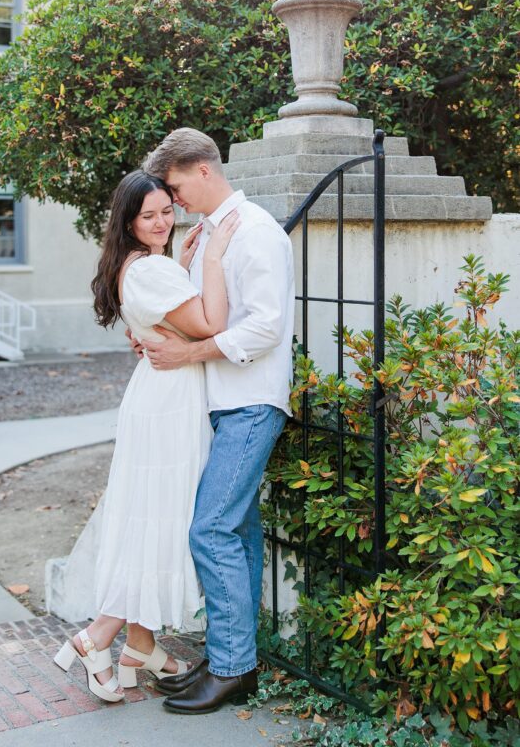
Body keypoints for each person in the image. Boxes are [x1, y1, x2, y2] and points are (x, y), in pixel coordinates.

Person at [52, 168, 239, 703]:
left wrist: (180, 262)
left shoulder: (140, 265)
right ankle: (98, 638)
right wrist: (211, 256)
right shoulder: (151, 269)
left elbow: (166, 310)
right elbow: (211, 323)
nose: (161, 222)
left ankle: (138, 648)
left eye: (166, 211)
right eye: (149, 216)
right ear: (129, 222)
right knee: (159, 522)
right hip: (169, 401)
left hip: (160, 395)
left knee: (152, 519)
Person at [137, 128, 295, 715]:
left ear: (201, 169)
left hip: (252, 402)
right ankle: (233, 659)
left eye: (175, 186)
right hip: (223, 403)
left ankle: (231, 668)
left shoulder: (253, 231)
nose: (172, 199)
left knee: (209, 530)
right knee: (239, 533)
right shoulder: (207, 234)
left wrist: (189, 353)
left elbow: (265, 329)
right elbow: (202, 316)